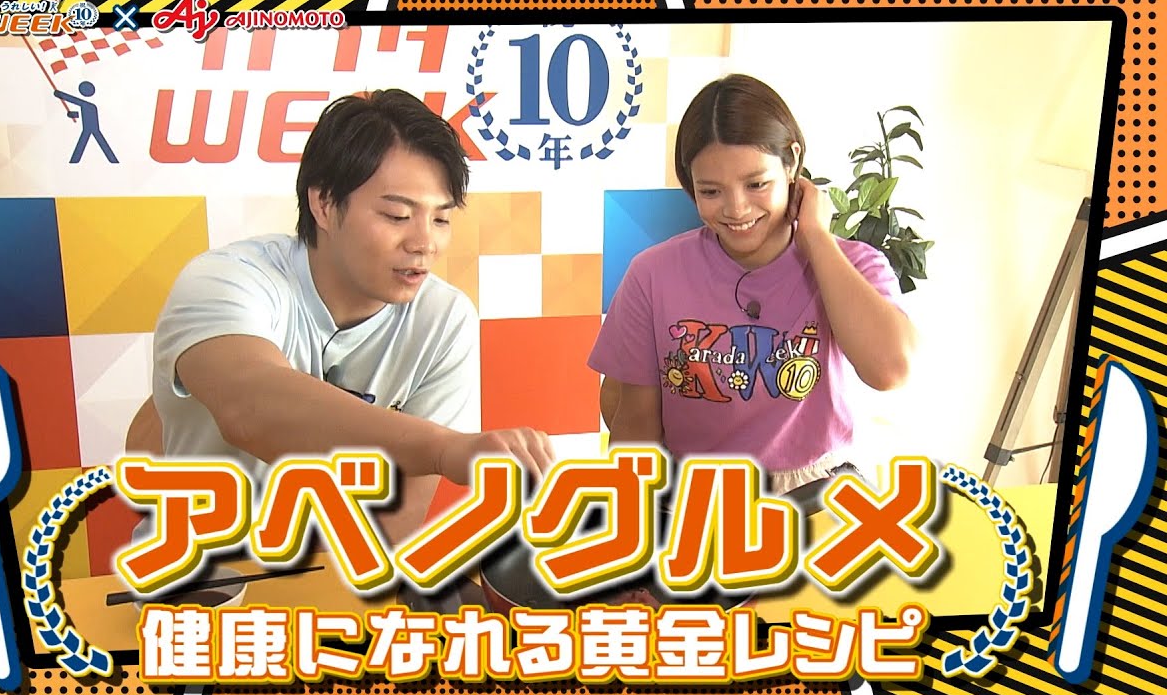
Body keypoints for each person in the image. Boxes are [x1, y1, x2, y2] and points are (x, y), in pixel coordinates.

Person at [129, 89, 555, 548]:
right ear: (325, 205)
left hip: (341, 575)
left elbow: (397, 521)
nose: (424, 243)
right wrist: (446, 448)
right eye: (397, 215)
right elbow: (249, 410)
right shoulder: (226, 279)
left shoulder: (445, 319)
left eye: (440, 220)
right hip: (199, 568)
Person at [590, 74, 916, 497]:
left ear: (791, 162)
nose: (737, 209)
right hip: (697, 494)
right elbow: (635, 423)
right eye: (711, 191)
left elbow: (890, 370)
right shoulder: (652, 274)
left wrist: (816, 237)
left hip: (815, 491)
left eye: (756, 184)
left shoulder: (852, 264)